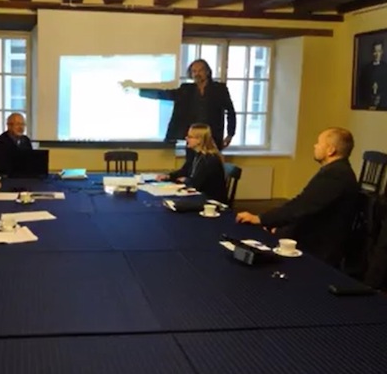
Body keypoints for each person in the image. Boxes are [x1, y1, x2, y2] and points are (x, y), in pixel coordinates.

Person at [236, 127, 359, 267]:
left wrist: (260, 219)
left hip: (317, 250)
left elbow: (301, 207)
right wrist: (277, 226)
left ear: (330, 150)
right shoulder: (336, 171)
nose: (315, 146)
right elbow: (305, 207)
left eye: (319, 143)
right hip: (311, 237)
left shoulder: (336, 175)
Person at [122, 59, 236, 149]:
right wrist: (138, 91)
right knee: (191, 166)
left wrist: (230, 134)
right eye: (194, 71)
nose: (197, 74)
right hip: (192, 137)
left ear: (207, 72)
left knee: (212, 167)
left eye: (200, 70)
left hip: (212, 137)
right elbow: (165, 94)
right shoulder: (186, 89)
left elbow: (230, 111)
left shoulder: (220, 89)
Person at [156, 123, 227, 203]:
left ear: (199, 140)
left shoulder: (210, 159)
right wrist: (169, 176)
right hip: (198, 196)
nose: (186, 138)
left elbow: (197, 184)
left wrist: (186, 180)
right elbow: (185, 170)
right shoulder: (196, 154)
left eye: (190, 137)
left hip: (211, 201)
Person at [357, 40, 387, 110]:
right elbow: (362, 89)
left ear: (382, 52)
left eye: (379, 51)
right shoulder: (366, 69)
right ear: (372, 52)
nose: (377, 54)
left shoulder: (386, 67)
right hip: (368, 104)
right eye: (375, 51)